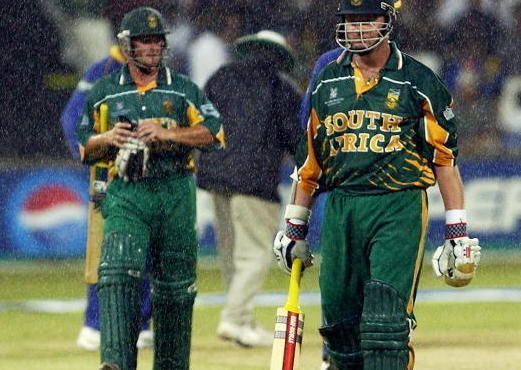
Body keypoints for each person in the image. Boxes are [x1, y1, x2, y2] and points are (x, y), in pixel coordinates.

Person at [273, 1, 482, 370]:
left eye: (366, 20)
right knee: (339, 327)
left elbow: (445, 161)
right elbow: (310, 164)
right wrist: (294, 227)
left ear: (387, 21)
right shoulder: (326, 79)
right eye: (350, 21)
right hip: (341, 207)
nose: (357, 29)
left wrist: (458, 232)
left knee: (385, 323)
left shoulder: (418, 80)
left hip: (397, 206)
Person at [76, 7, 224, 370]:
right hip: (127, 191)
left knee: (175, 288)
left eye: (158, 40)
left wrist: (167, 134)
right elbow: (84, 146)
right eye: (144, 41)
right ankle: (115, 361)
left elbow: (215, 133)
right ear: (127, 45)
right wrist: (108, 138)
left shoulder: (183, 88)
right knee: (117, 272)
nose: (153, 47)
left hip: (175, 190)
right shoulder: (105, 91)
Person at [196, 30, 301, 347]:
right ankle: (234, 319)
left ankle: (241, 320)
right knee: (253, 255)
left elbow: (201, 119)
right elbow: (295, 138)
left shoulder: (221, 77)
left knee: (229, 255)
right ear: (280, 57)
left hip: (216, 177)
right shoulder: (281, 87)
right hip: (256, 180)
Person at [60, 32, 154, 354]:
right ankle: (94, 324)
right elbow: (72, 118)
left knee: (144, 250)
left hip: (147, 175)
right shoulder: (103, 71)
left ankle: (140, 323)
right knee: (104, 252)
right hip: (107, 176)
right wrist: (93, 154)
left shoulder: (155, 75)